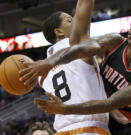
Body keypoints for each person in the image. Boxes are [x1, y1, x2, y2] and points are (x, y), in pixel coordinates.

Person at [20, 13, 131, 134]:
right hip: (109, 122)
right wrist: (50, 62)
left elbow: (110, 103)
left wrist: (66, 109)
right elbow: (83, 48)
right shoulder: (115, 42)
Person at [20, 0, 110, 135]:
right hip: (89, 128)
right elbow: (84, 6)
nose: (75, 21)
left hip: (61, 130)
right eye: (70, 20)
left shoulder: (41, 73)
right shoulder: (76, 45)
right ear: (59, 32)